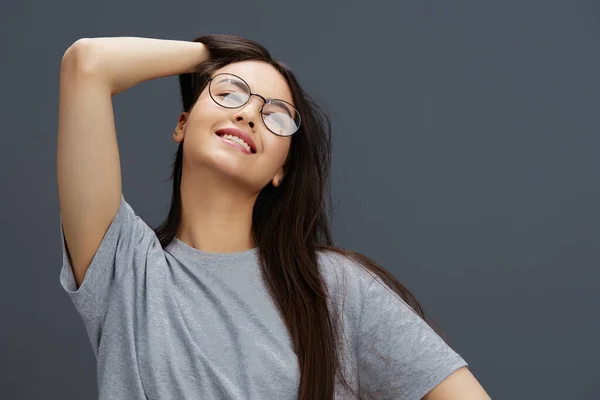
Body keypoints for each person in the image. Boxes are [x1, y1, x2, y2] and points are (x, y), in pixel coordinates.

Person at [57, 35, 490, 400]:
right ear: (182, 124)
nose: (248, 114)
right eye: (228, 93)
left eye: (275, 116)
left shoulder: (333, 287)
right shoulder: (125, 269)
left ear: (281, 169)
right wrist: (212, 54)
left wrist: (227, 75)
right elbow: (87, 64)